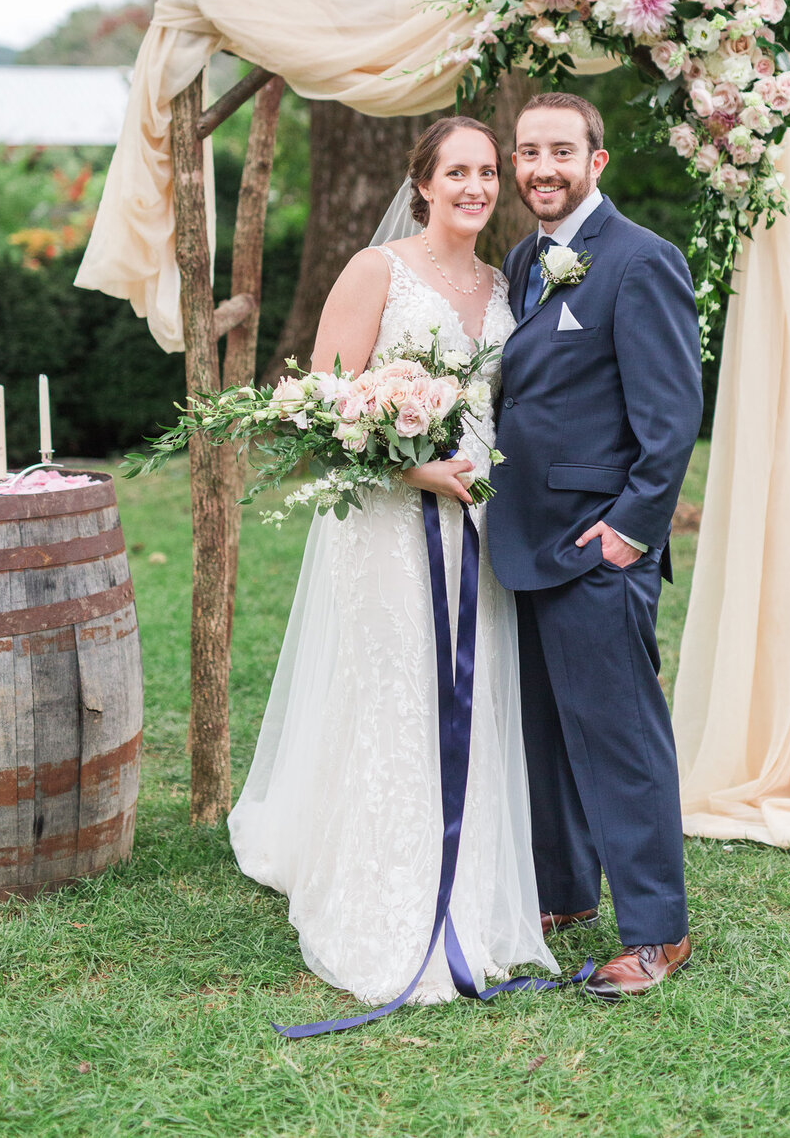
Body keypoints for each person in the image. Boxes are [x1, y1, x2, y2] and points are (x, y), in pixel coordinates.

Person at [228, 115, 559, 1007]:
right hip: (386, 524)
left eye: (488, 172)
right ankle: (383, 891)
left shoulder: (507, 281)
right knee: (396, 696)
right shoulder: (377, 271)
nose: (475, 187)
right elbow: (316, 406)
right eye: (456, 171)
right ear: (421, 183)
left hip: (478, 526)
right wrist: (412, 463)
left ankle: (474, 889)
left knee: (471, 694)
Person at [488, 91, 703, 1000]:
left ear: (596, 161)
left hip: (594, 546)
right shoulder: (520, 261)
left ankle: (658, 929)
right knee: (544, 733)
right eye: (528, 152)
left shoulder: (642, 261)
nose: (543, 168)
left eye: (561, 152)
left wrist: (630, 533)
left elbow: (672, 418)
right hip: (521, 543)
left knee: (620, 740)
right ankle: (567, 891)